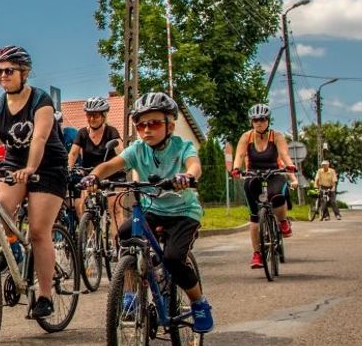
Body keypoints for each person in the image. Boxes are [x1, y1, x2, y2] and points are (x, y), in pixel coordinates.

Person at [81, 92, 213, 333]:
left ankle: (199, 302)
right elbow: (111, 164)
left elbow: (194, 165)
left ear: (170, 125)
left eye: (154, 123)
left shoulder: (181, 146)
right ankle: (131, 293)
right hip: (152, 209)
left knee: (173, 259)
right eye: (141, 125)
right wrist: (94, 176)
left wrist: (188, 176)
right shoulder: (137, 149)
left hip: (183, 213)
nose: (146, 129)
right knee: (125, 235)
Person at [0, 46, 68, 320]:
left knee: (39, 231)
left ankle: (46, 295)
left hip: (48, 166)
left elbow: (38, 139)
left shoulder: (41, 101)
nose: (3, 76)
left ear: (24, 73)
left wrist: (31, 168)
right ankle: (12, 249)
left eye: (9, 71)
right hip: (15, 164)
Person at [231, 104, 298, 270]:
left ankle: (282, 221)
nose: (258, 123)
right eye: (255, 120)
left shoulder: (277, 136)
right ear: (251, 122)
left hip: (274, 173)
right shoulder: (247, 137)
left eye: (261, 120)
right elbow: (239, 155)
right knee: (254, 217)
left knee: (278, 196)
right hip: (254, 175)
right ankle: (257, 254)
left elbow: (284, 155)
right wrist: (236, 168)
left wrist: (290, 168)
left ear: (267, 120)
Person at [68, 96, 126, 228]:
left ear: (104, 116)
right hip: (91, 175)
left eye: (95, 116)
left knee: (115, 208)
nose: (91, 119)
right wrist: (68, 169)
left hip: (113, 175)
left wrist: (125, 164)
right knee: (83, 208)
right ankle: (88, 243)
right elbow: (73, 153)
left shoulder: (111, 131)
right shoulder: (82, 133)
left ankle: (118, 246)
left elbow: (121, 152)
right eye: (89, 115)